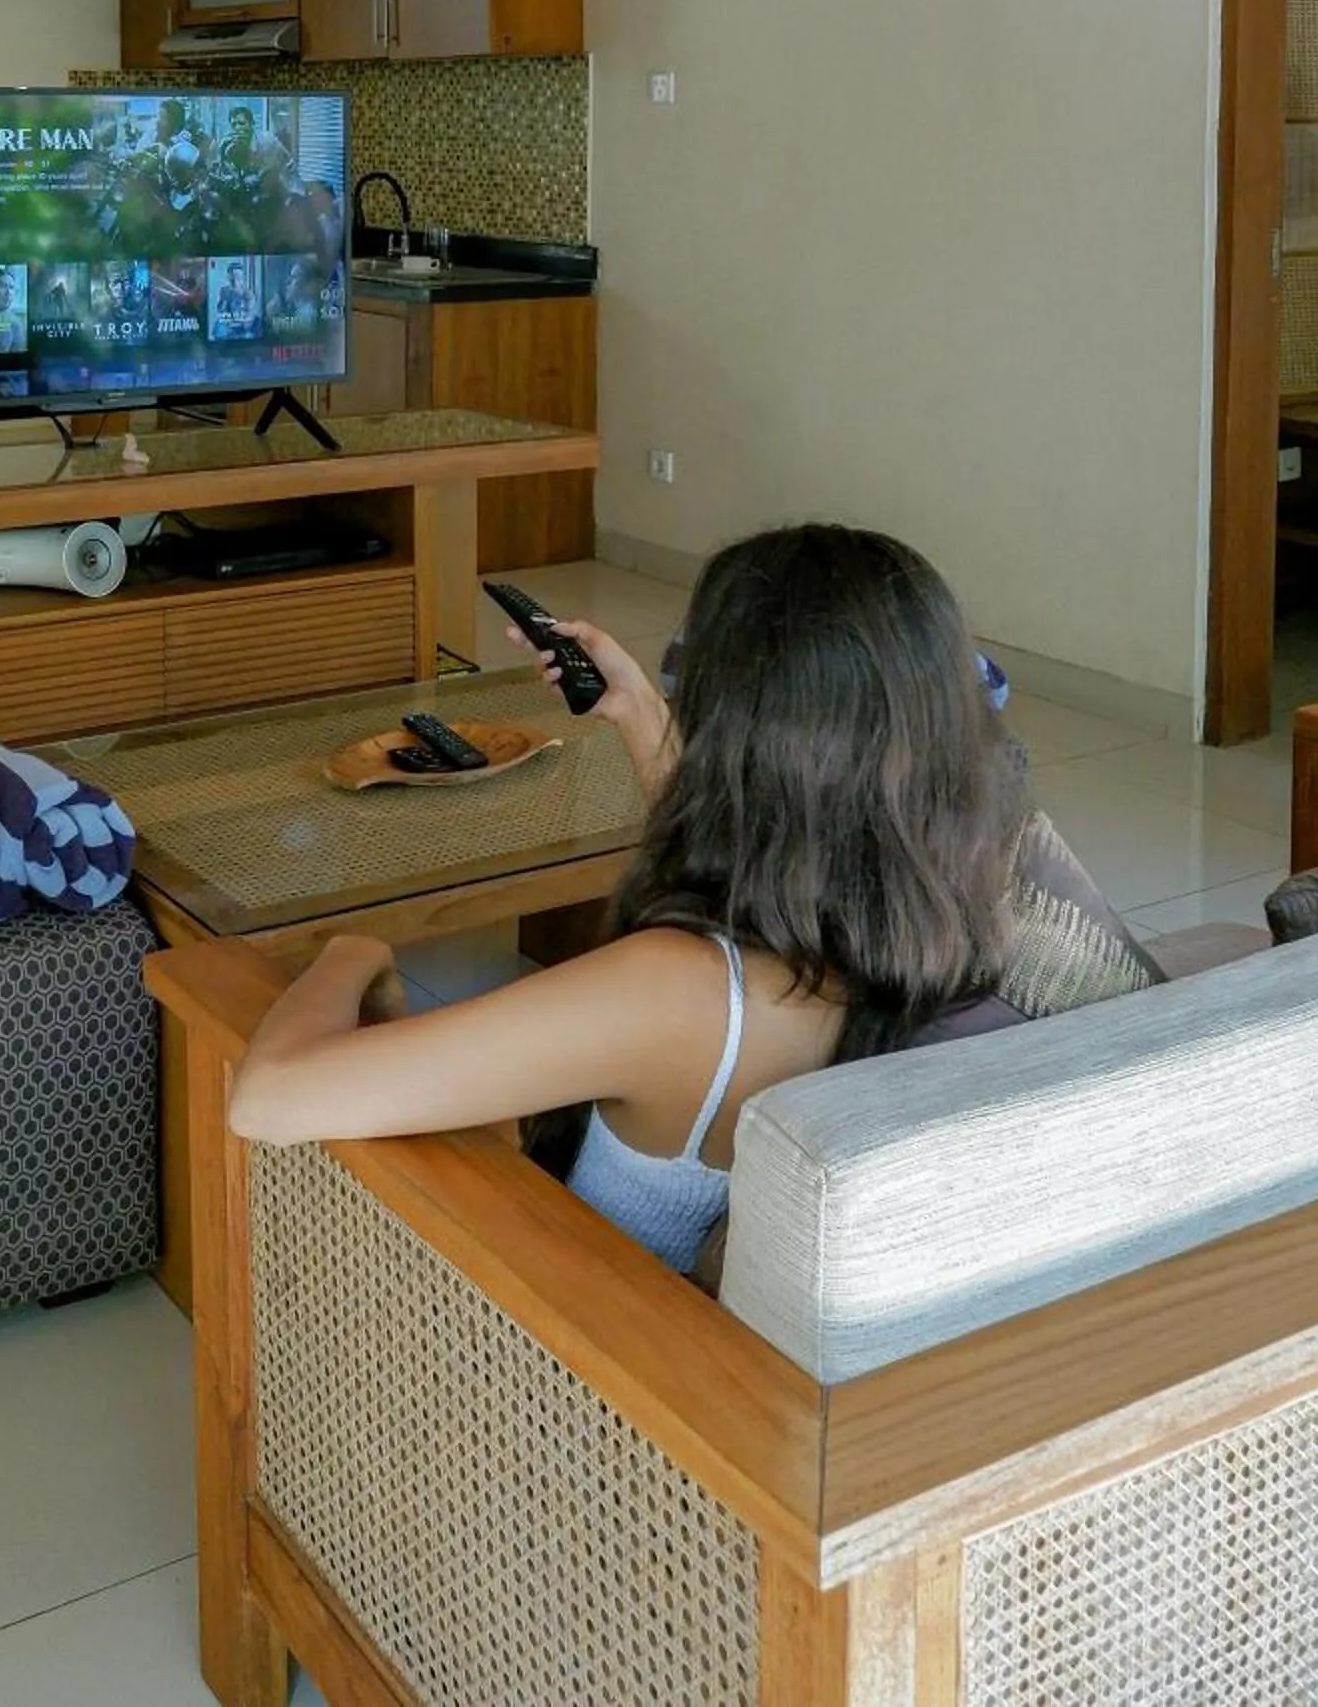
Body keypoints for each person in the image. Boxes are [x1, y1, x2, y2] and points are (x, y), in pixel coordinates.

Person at [228, 525, 1025, 1278]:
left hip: (561, 1349)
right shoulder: (946, 910)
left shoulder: (674, 993)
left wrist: (352, 950)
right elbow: (765, 845)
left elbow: (270, 1097)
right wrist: (638, 711)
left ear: (739, 736)